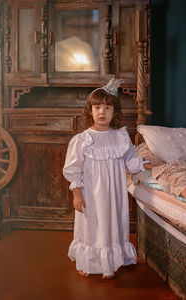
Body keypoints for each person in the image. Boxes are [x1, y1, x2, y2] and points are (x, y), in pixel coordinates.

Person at [63, 78, 149, 279]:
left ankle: (111, 260)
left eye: (107, 107)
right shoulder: (82, 140)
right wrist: (77, 194)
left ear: (114, 111)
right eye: (97, 107)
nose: (102, 112)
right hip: (91, 193)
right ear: (90, 110)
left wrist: (145, 164)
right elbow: (73, 170)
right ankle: (90, 261)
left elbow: (130, 160)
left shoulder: (120, 136)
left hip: (114, 193)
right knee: (92, 224)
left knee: (112, 222)